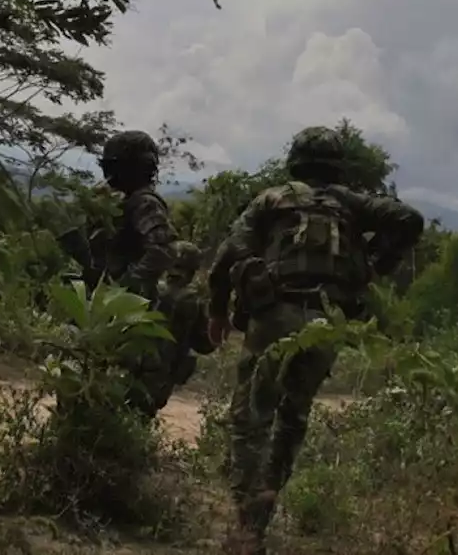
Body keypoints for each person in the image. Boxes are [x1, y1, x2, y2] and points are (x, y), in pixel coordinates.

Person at [205, 126, 424, 553]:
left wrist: (217, 309)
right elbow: (409, 219)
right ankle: (269, 490)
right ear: (336, 166)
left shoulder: (271, 199)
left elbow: (230, 253)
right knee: (293, 414)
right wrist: (379, 260)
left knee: (251, 416)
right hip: (328, 321)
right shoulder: (350, 204)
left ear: (295, 160)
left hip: (274, 315)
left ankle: (248, 521)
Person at [95, 129, 213, 417]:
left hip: (129, 305)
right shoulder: (122, 200)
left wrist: (128, 285)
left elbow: (162, 247)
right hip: (113, 302)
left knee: (130, 385)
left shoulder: (143, 202)